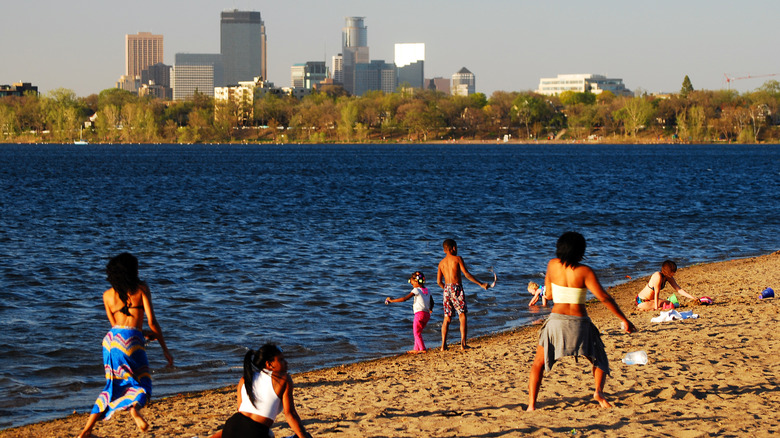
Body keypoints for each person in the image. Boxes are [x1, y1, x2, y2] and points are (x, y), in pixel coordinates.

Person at [527, 232, 636, 411]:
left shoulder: (552, 265)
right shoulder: (585, 271)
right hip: (579, 323)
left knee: (538, 363)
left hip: (556, 322)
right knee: (599, 358)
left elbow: (549, 295)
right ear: (580, 252)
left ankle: (531, 405)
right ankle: (599, 392)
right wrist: (624, 319)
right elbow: (604, 298)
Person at [78, 253, 173, 438]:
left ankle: (87, 430)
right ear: (132, 271)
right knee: (143, 382)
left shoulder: (107, 295)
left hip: (111, 342)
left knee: (112, 386)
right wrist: (165, 349)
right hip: (132, 341)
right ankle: (134, 410)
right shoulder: (141, 288)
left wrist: (140, 332)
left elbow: (117, 326)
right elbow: (152, 322)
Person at [210, 344, 312, 438]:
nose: (286, 362)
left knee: (269, 434)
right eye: (281, 360)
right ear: (269, 364)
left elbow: (241, 412)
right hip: (255, 433)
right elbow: (290, 414)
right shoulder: (283, 379)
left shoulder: (245, 379)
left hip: (232, 426)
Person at [437, 238, 490, 351]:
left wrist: (446, 289)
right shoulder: (458, 259)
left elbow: (438, 282)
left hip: (446, 289)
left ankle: (443, 346)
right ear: (453, 248)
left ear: (444, 250)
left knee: (447, 318)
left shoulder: (441, 263)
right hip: (456, 288)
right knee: (462, 315)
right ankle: (463, 344)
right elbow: (466, 274)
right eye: (456, 247)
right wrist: (480, 284)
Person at [386, 271, 434, 354]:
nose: (412, 285)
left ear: (416, 281)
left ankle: (422, 349)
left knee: (416, 333)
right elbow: (432, 302)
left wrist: (392, 301)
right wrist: (430, 309)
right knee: (418, 332)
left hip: (419, 314)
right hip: (426, 315)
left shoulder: (416, 290)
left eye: (412, 283)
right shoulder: (427, 290)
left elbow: (405, 298)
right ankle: (416, 348)